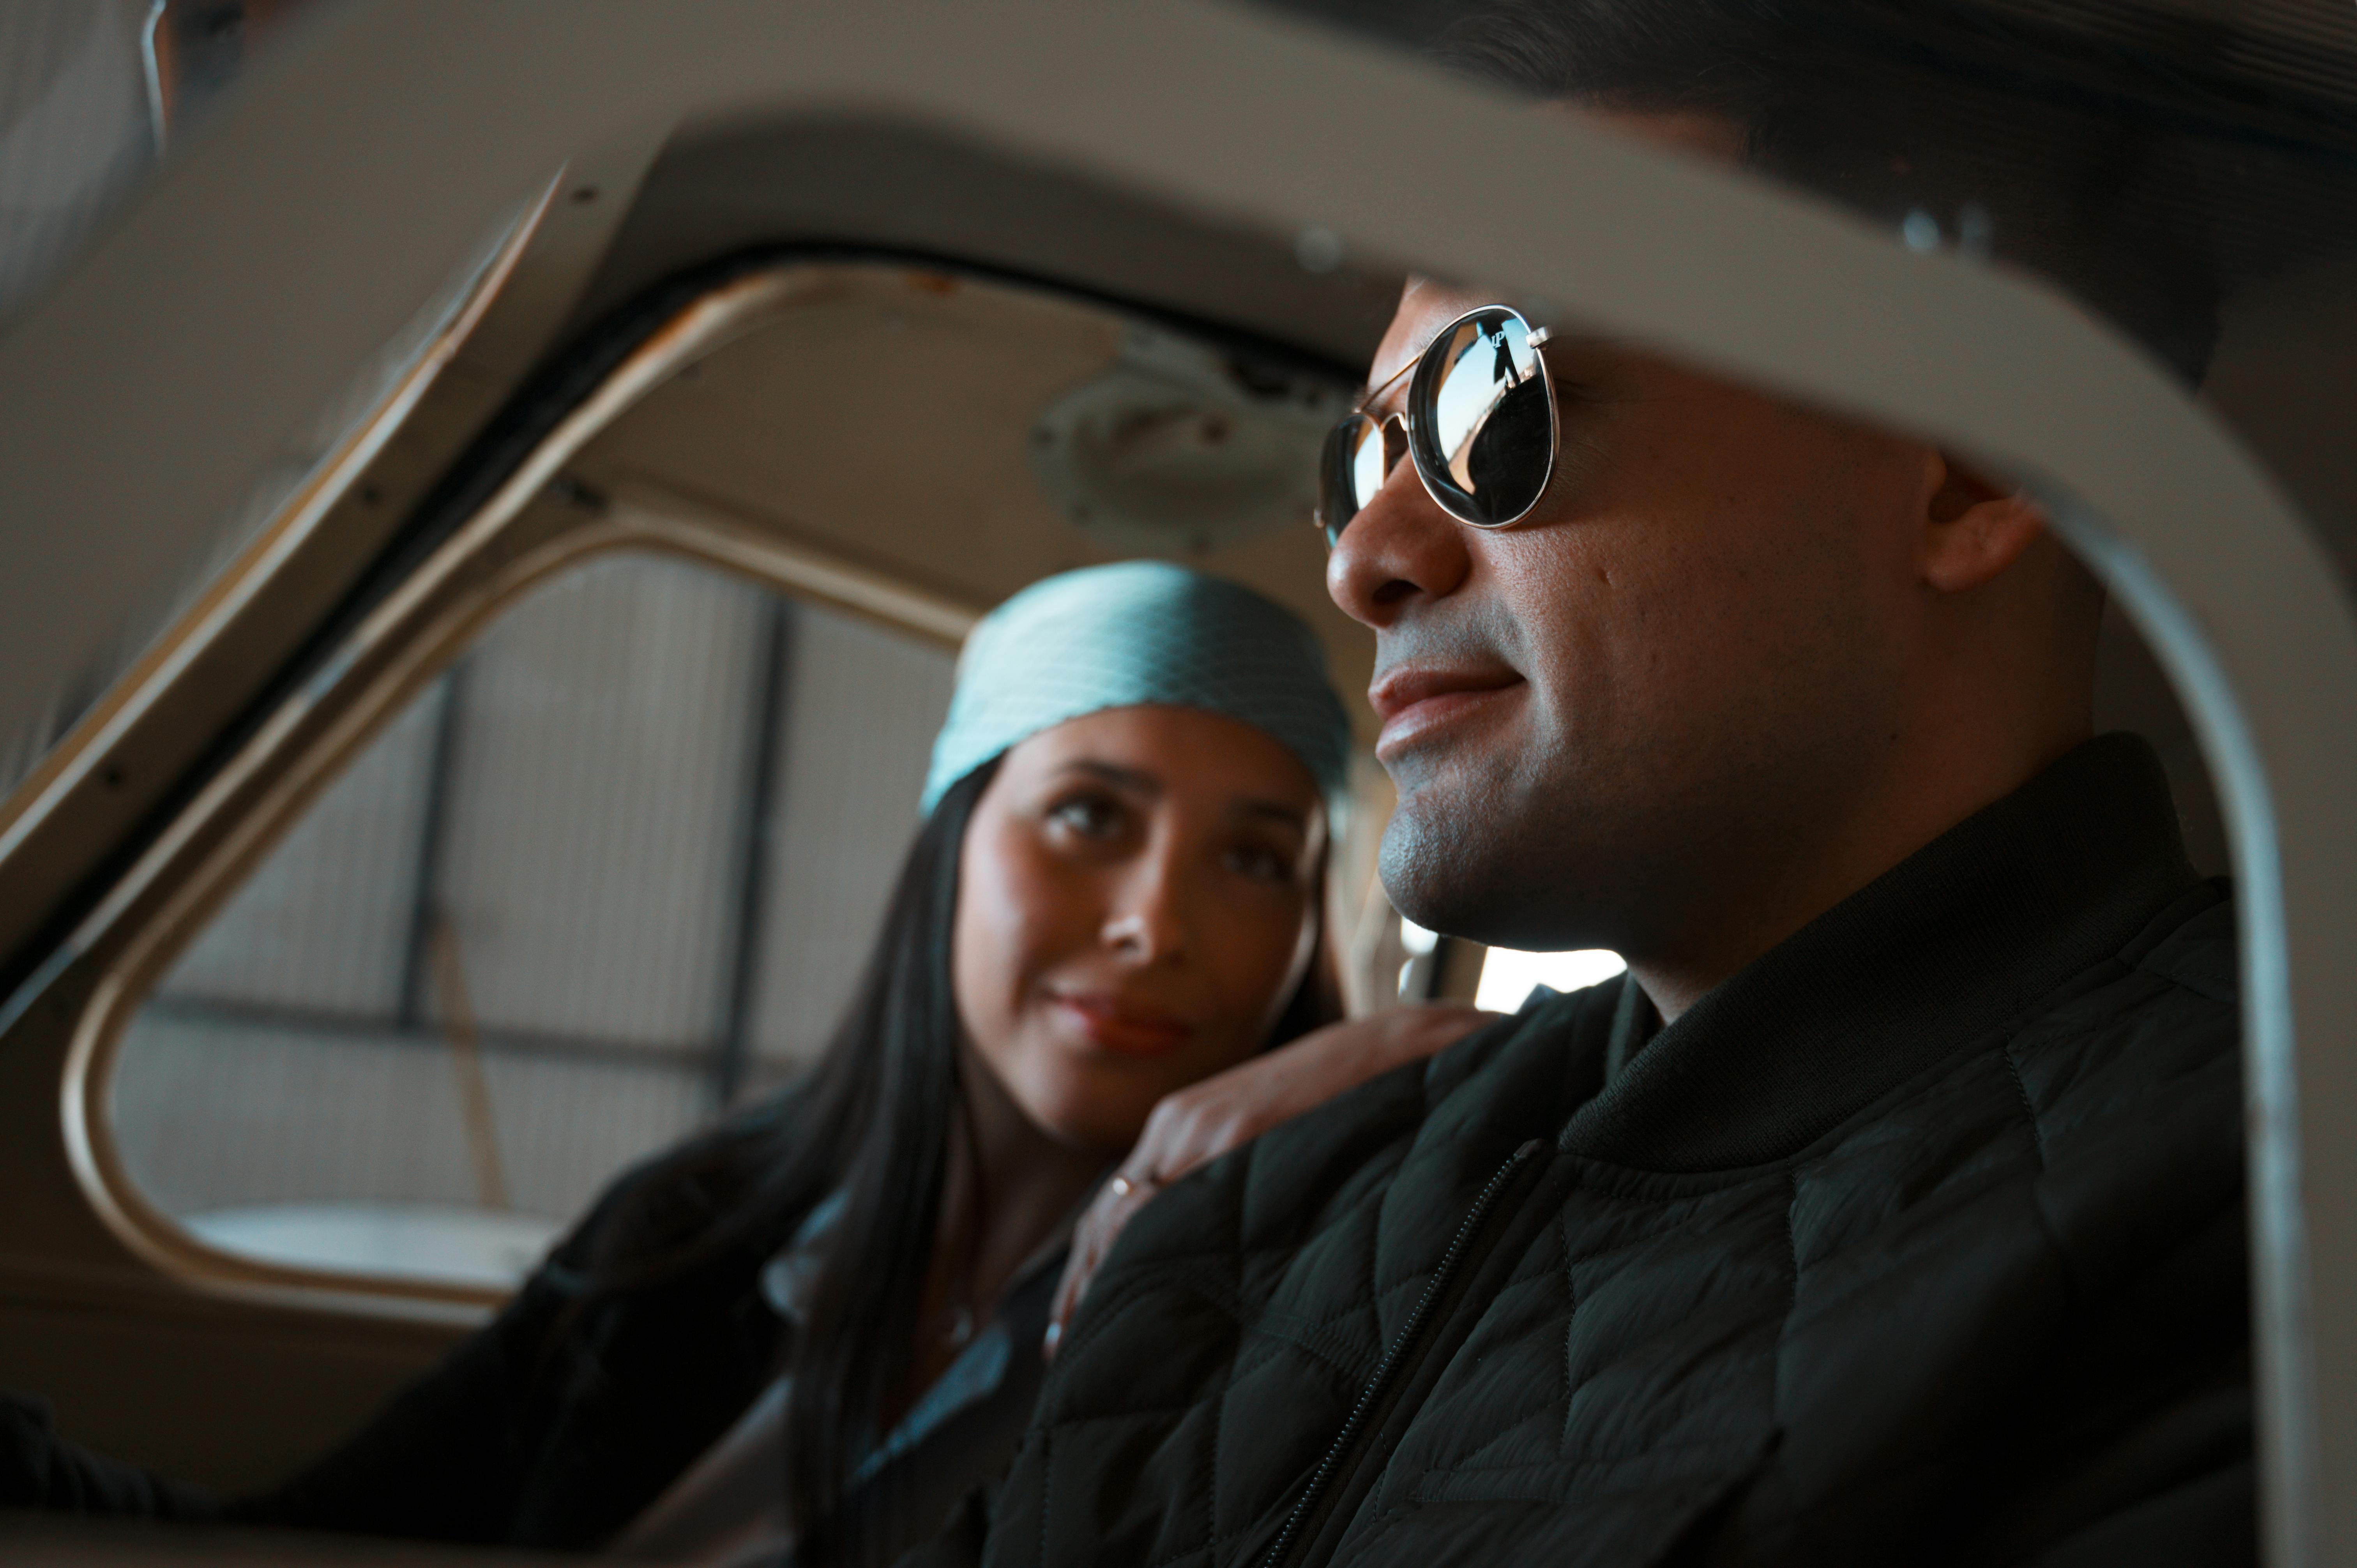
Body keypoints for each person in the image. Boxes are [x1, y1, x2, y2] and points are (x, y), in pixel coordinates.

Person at [942, 5, 2252, 1566]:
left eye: (1497, 403)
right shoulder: (1289, 1180)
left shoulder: (2268, 1215)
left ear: (1966, 462)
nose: (1367, 558)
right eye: (1362, 461)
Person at [0, 562, 1490, 1566]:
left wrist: (1454, 1065)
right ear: (950, 849)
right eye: (1090, 818)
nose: (1157, 924)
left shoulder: (1308, 1307)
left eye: (1254, 858)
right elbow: (316, 1544)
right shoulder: (698, 1226)